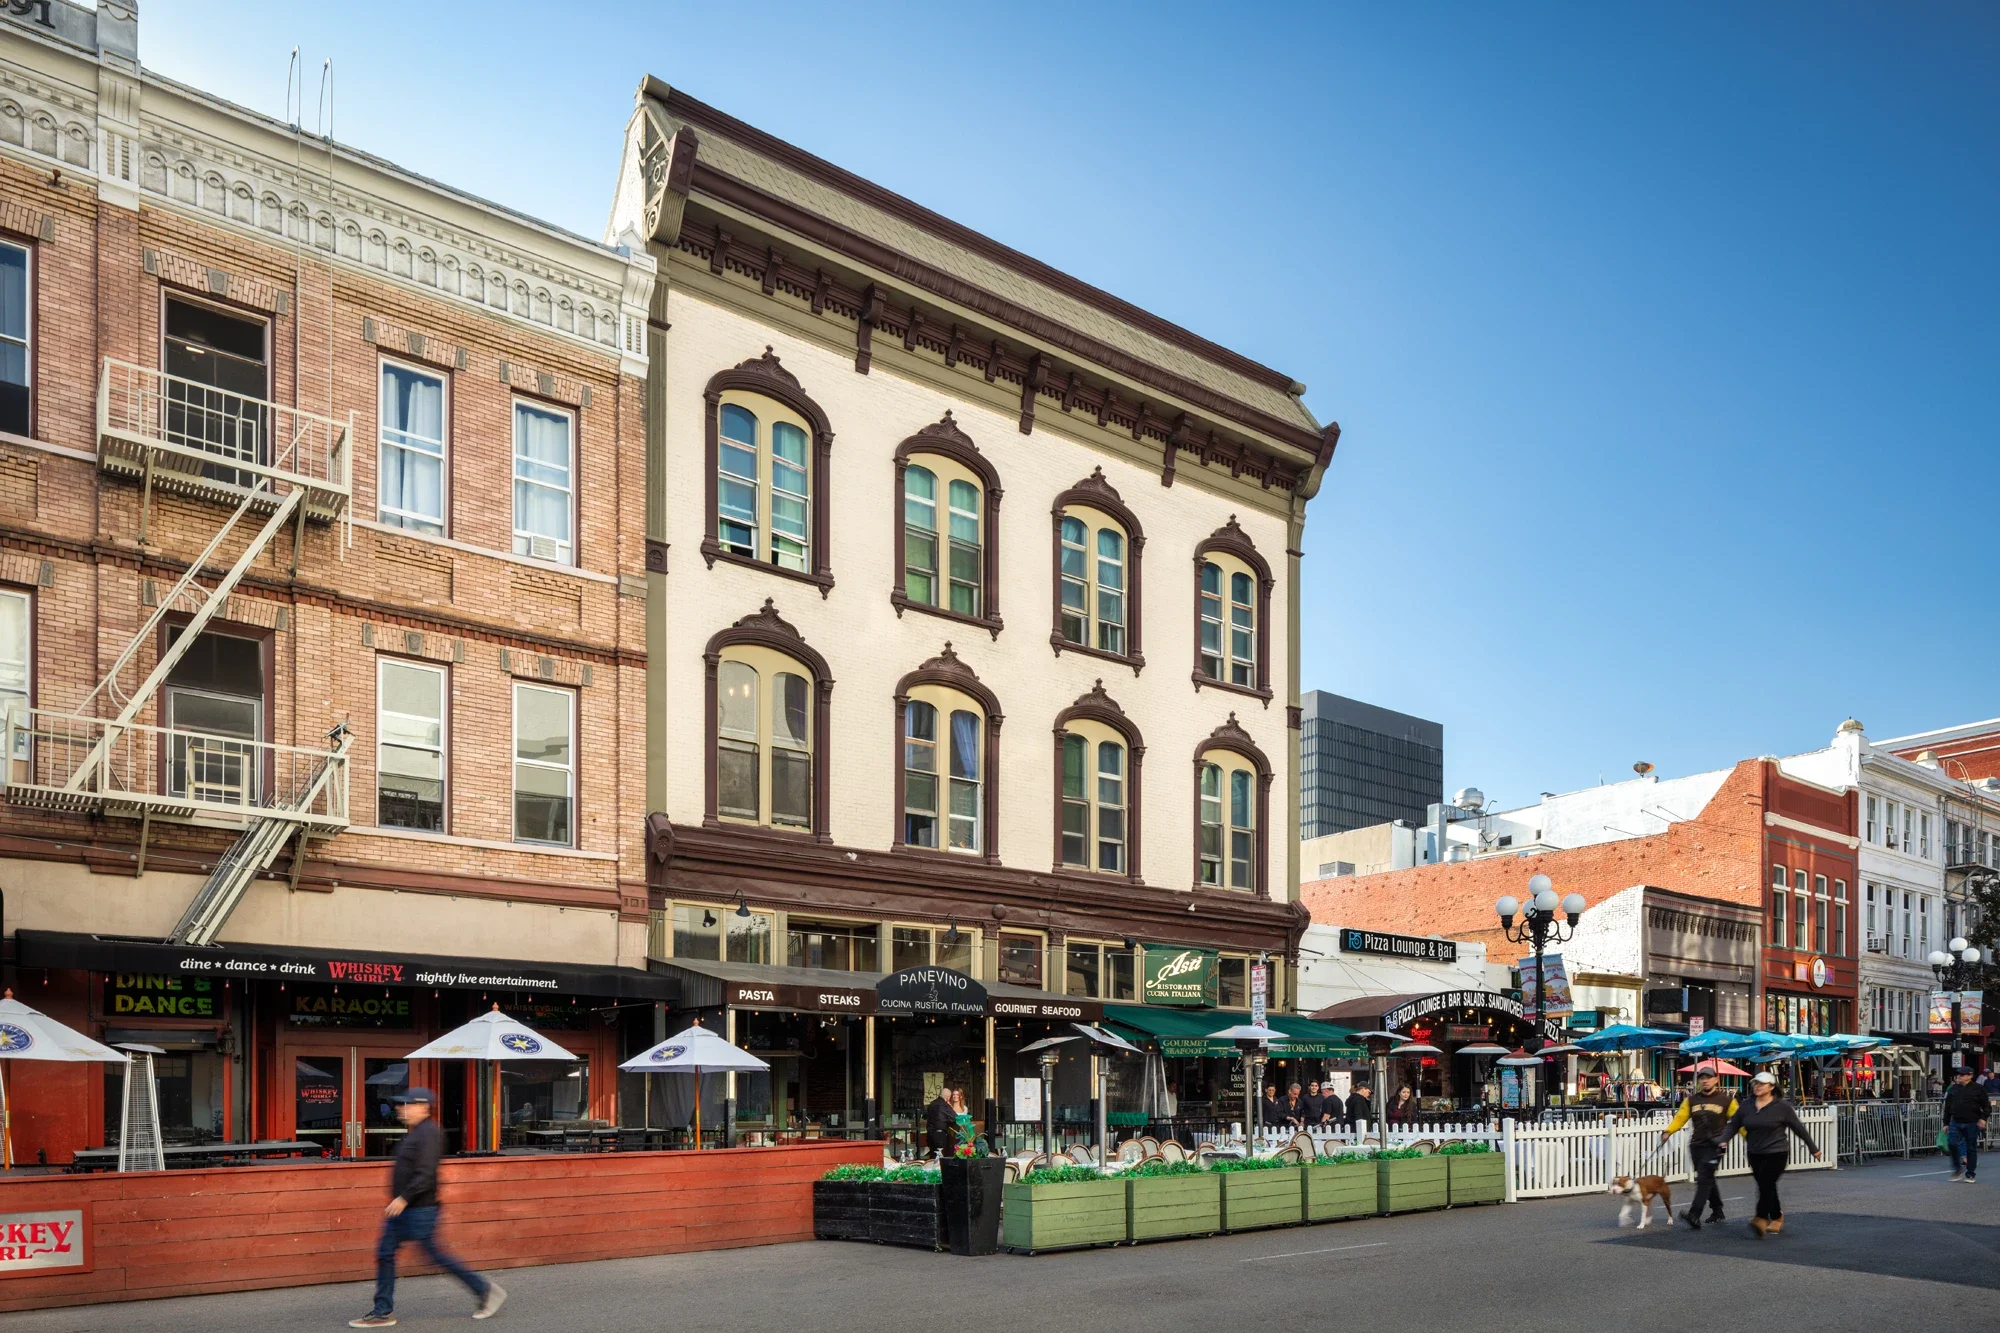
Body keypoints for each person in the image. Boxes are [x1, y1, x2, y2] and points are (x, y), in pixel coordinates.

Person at [350, 1089, 504, 1328]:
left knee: (434, 1255)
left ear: (423, 1106)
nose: (401, 1109)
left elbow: (426, 1174)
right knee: (385, 1253)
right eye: (400, 1105)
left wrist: (403, 1198)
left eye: (406, 1105)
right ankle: (381, 1311)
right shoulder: (416, 1133)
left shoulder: (429, 1133)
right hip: (406, 1210)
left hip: (419, 1209)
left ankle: (485, 1290)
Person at [1725, 1070, 1820, 1237]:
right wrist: (1723, 1139)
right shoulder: (1746, 1105)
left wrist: (1813, 1148)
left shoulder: (1782, 1107)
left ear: (1771, 1087)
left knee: (1766, 1184)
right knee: (1766, 1186)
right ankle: (1777, 1216)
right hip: (1755, 1152)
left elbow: (1799, 1128)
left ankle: (1760, 1218)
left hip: (1777, 1152)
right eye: (1756, 1083)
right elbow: (1733, 1125)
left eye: (1761, 1084)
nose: (1757, 1087)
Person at [1662, 1064, 1737, 1229]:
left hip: (1716, 1146)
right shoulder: (1691, 1100)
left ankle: (1694, 1214)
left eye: (1708, 1077)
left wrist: (1750, 1137)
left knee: (1703, 1179)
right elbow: (1680, 1117)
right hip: (1696, 1146)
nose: (1705, 1081)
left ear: (1716, 1079)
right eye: (1702, 1078)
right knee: (1707, 1178)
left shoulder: (1727, 1101)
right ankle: (1718, 1210)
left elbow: (1739, 1121)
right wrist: (1668, 1131)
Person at [1943, 1066, 1991, 1183]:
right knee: (1952, 1143)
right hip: (1955, 1122)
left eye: (1962, 1075)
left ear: (1970, 1076)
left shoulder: (1978, 1089)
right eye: (1958, 1074)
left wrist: (1983, 1118)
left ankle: (1970, 1174)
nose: (1959, 1076)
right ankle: (1958, 1169)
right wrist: (1946, 1123)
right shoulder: (1953, 1089)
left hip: (1972, 1122)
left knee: (1971, 1148)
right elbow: (1947, 1107)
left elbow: (1986, 1106)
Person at [925, 1082, 958, 1159]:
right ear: (947, 1097)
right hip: (939, 1135)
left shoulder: (932, 1103)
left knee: (932, 1156)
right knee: (939, 1156)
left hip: (930, 1133)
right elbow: (955, 1117)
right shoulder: (944, 1105)